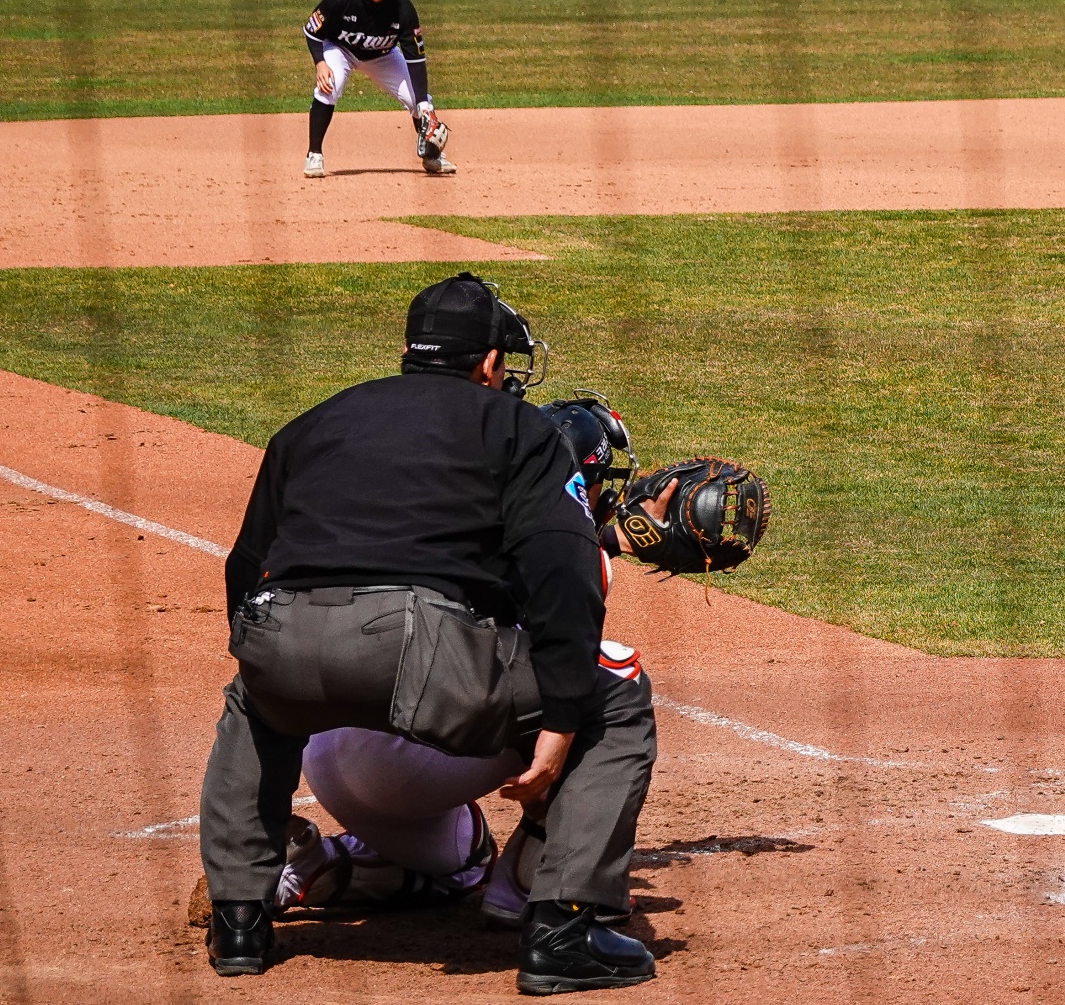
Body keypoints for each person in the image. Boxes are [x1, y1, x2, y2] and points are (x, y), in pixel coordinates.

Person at [198, 273, 661, 994]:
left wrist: (265, 663)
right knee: (617, 694)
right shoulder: (520, 429)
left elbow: (246, 563)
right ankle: (563, 930)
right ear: (490, 363)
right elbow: (560, 577)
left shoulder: (316, 422)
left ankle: (238, 922)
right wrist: (561, 723)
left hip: (280, 631)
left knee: (252, 706)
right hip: (419, 648)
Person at [271, 392, 763, 934]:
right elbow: (555, 582)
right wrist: (612, 539)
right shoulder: (576, 556)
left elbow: (507, 552)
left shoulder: (424, 508)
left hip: (326, 751)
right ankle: (538, 890)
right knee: (599, 677)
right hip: (409, 759)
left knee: (465, 859)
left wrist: (612, 538)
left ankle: (310, 865)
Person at [302, 0, 453, 179]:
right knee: (329, 86)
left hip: (383, 56)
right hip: (340, 49)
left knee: (418, 100)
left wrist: (423, 103)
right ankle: (314, 154)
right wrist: (320, 62)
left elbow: (416, 58)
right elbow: (312, 31)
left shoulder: (403, 7)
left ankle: (432, 156)